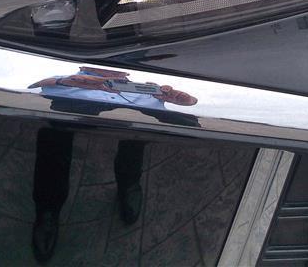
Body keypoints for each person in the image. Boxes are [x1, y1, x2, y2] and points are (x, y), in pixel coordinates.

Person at [28, 67, 197, 264]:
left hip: (134, 88)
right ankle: (48, 209)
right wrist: (76, 81)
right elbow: (35, 85)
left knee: (137, 132)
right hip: (78, 91)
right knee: (53, 132)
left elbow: (191, 112)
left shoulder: (146, 88)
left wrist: (178, 98)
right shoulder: (70, 76)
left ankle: (129, 184)